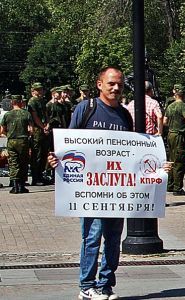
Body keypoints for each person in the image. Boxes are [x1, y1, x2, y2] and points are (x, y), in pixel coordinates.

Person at [49, 66, 132, 300]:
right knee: (92, 235)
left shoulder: (125, 115)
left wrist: (158, 168)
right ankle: (86, 285)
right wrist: (57, 158)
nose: (116, 88)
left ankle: (105, 284)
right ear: (99, 84)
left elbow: (133, 152)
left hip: (116, 188)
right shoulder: (87, 109)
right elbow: (70, 143)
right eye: (111, 84)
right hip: (91, 189)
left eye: (120, 84)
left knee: (114, 238)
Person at [0, 95, 33, 194]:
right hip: (23, 141)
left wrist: (9, 134)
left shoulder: (7, 115)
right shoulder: (26, 114)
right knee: (23, 163)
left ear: (12, 103)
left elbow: (2, 131)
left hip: (12, 141)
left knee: (13, 163)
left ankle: (15, 186)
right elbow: (31, 130)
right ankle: (22, 186)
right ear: (21, 102)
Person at [28, 82, 49, 186]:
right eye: (38, 90)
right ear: (33, 91)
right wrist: (43, 126)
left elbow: (45, 114)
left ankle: (41, 176)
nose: (40, 91)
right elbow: (35, 117)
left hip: (43, 129)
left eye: (41, 89)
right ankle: (35, 178)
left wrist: (47, 124)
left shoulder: (41, 101)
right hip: (37, 130)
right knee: (37, 155)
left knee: (44, 154)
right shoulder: (32, 102)